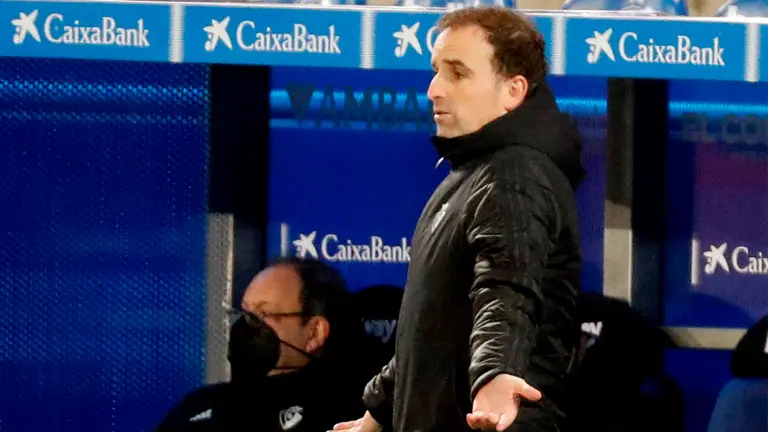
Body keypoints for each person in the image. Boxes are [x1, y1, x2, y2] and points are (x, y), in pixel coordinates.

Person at [333, 6, 585, 432]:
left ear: (512, 91)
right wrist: (378, 412)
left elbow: (507, 288)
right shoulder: (472, 171)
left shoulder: (514, 175)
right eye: (436, 71)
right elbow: (435, 323)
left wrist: (495, 373)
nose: (434, 89)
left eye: (458, 73)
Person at [156, 257, 370, 432]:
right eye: (244, 313)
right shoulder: (202, 404)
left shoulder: (352, 413)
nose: (245, 325)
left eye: (263, 313)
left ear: (315, 332)